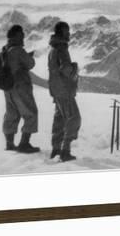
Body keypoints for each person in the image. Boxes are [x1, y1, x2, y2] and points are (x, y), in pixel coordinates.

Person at [1, 24, 40, 153]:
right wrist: (29, 57)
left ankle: (9, 143)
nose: (23, 38)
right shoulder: (18, 50)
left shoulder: (5, 50)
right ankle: (24, 143)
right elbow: (30, 64)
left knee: (11, 114)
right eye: (21, 35)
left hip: (8, 88)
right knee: (31, 113)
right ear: (17, 36)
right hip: (21, 87)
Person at [48, 21, 81, 162]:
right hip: (64, 89)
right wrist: (75, 68)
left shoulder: (52, 49)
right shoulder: (61, 48)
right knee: (74, 117)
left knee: (60, 119)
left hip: (55, 89)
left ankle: (56, 149)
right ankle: (65, 150)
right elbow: (66, 69)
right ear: (61, 33)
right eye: (67, 31)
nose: (69, 34)